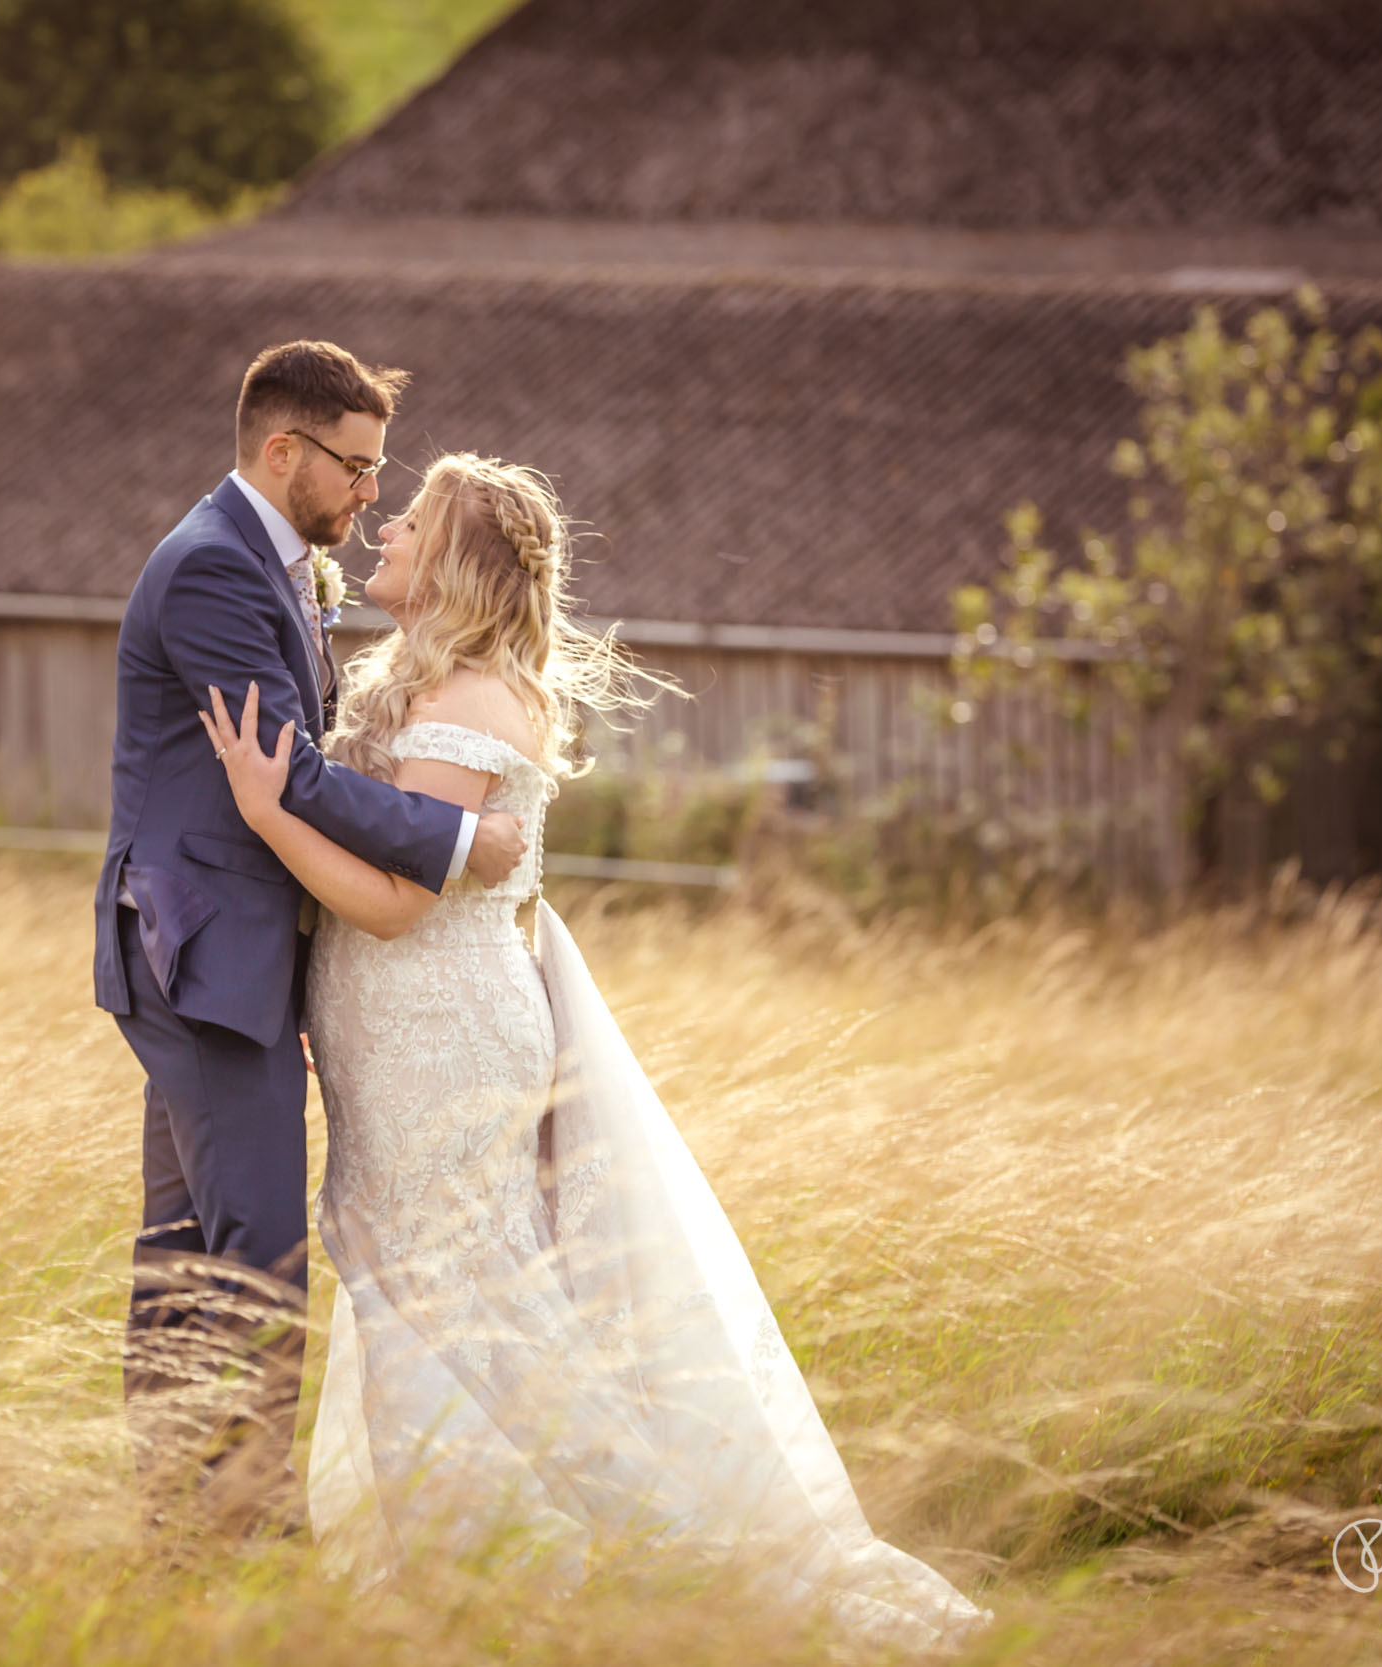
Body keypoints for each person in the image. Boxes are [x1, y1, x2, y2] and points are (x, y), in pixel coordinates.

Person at [195, 454, 991, 1649]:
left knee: (454, 1297)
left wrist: (265, 811)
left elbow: (400, 904)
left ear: (457, 562)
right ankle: (473, 1570)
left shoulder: (467, 706)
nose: (386, 531)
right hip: (397, 1031)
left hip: (440, 1035)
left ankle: (639, 1560)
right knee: (419, 1286)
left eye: (411, 521)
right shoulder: (431, 684)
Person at [95, 343, 528, 1531]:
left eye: (376, 468)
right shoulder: (212, 572)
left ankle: (176, 1520)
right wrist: (450, 839)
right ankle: (246, 1528)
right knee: (256, 1256)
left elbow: (284, 771)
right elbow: (288, 775)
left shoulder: (276, 565)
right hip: (201, 957)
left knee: (187, 1253)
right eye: (354, 465)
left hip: (224, 957)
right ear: (280, 449)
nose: (368, 493)